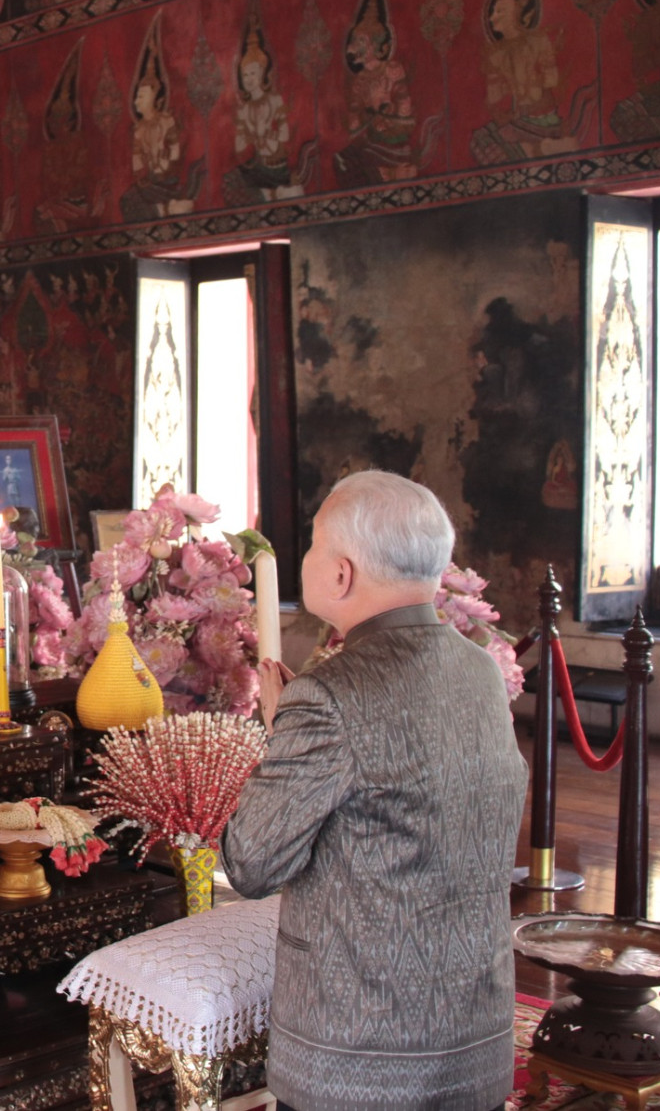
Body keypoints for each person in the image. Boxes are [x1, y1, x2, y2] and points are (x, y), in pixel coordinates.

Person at [222, 471, 525, 1111]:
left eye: (310, 547)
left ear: (341, 574)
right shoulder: (479, 671)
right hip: (475, 1038)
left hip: (361, 1061)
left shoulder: (329, 694)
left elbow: (251, 863)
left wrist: (285, 734)